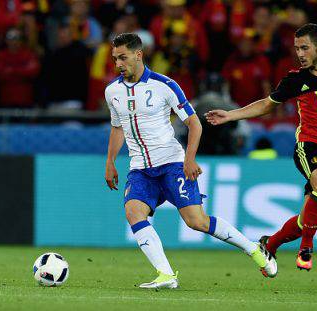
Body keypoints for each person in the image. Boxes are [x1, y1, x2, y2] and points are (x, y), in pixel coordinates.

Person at [206, 23, 317, 272]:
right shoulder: (295, 79)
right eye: (297, 49)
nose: (300, 54)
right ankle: (306, 248)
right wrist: (230, 116)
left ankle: (269, 244)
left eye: (304, 48)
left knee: (306, 220)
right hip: (309, 146)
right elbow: (266, 105)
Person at [104, 33, 277, 289]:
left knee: (197, 222)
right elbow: (117, 128)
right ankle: (166, 275)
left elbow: (194, 124)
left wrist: (189, 159)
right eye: (115, 58)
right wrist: (110, 162)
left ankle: (254, 250)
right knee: (133, 212)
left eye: (123, 57)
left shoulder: (165, 85)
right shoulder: (113, 91)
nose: (118, 64)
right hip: (140, 168)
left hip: (172, 163)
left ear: (138, 54)